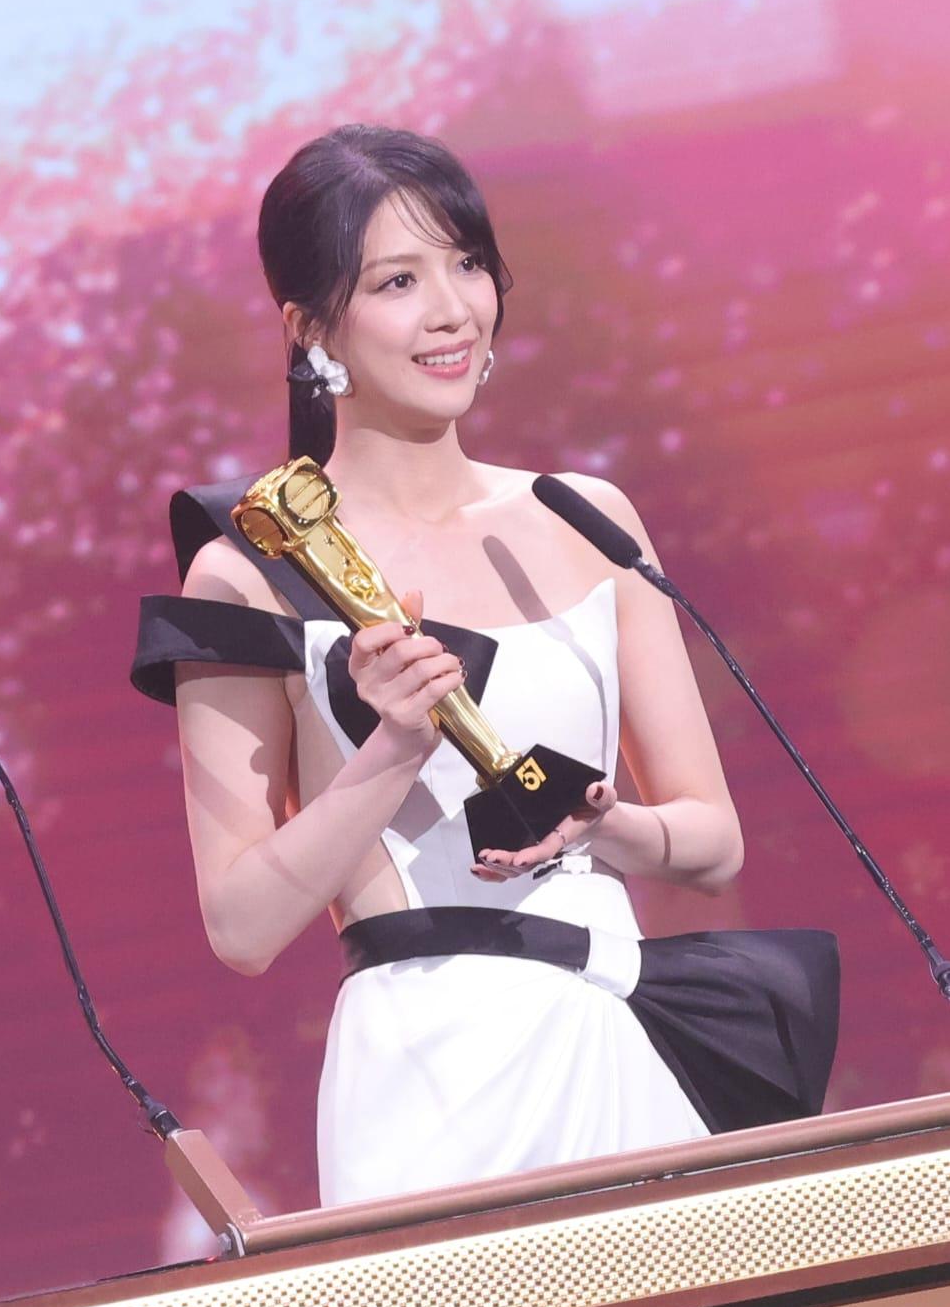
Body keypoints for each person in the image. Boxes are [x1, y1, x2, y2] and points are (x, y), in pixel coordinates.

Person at [131, 123, 838, 1208]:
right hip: (430, 1073)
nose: (453, 309)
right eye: (397, 281)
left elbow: (712, 840)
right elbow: (242, 926)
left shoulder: (583, 517)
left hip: (618, 1031)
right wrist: (391, 747)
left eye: (466, 263)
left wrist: (599, 824)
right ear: (310, 328)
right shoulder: (250, 572)